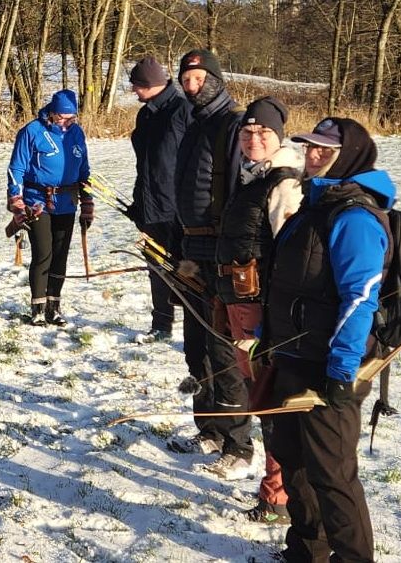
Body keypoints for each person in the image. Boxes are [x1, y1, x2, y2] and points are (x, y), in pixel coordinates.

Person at [263, 117, 394, 563]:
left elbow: (360, 297)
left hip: (331, 366)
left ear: (349, 156)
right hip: (292, 356)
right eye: (309, 146)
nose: (312, 155)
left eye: (325, 149)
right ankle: (307, 550)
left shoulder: (354, 218)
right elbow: (287, 281)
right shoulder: (314, 205)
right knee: (293, 460)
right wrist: (266, 337)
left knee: (332, 474)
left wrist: (341, 369)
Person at [165, 48, 254, 480]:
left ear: (215, 80)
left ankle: (239, 445)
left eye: (198, 79)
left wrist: (234, 252)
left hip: (221, 253)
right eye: (185, 80)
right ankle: (210, 429)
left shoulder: (232, 126)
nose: (191, 86)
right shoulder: (193, 125)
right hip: (191, 251)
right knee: (196, 347)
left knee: (223, 349)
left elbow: (241, 194)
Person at [214, 96, 303, 521]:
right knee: (259, 396)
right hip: (240, 302)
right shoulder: (253, 176)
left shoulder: (283, 183)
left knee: (270, 401)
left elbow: (290, 255)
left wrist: (271, 316)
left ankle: (277, 497)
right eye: (247, 132)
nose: (253, 139)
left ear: (279, 137)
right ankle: (275, 492)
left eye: (263, 132)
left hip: (262, 310)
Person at [6, 89, 92, 327]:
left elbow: (84, 169)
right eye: (62, 117)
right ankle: (38, 308)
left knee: (60, 255)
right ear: (52, 113)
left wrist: (87, 201)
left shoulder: (76, 133)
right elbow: (16, 168)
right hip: (37, 201)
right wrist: (16, 199)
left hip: (67, 201)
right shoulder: (32, 131)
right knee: (44, 254)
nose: (66, 122)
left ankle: (54, 307)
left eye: (71, 118)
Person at [128, 56, 191, 341]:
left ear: (150, 84)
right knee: (156, 267)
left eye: (137, 85)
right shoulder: (145, 114)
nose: (133, 90)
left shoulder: (183, 110)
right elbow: (144, 165)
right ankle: (161, 324)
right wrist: (138, 202)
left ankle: (196, 325)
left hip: (177, 209)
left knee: (185, 269)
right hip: (150, 207)